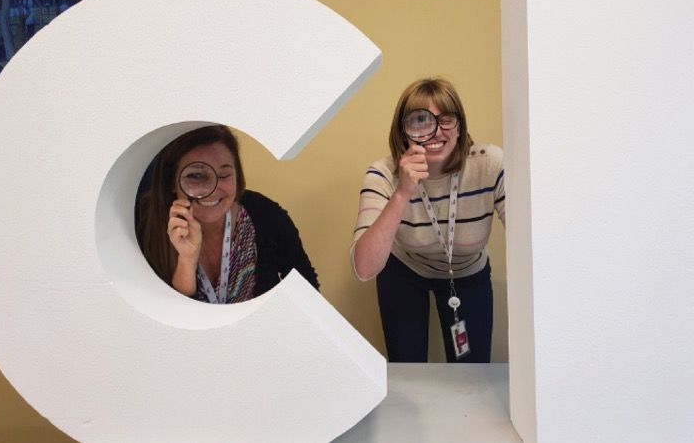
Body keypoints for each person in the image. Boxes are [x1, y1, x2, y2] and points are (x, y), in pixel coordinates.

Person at [351, 78, 505, 363]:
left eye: (446, 118)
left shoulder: (490, 164)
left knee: (470, 372)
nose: (436, 131)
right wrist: (402, 193)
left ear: (460, 126)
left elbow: (532, 241)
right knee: (407, 367)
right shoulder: (383, 173)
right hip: (404, 270)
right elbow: (363, 268)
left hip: (467, 271)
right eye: (421, 120)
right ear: (403, 132)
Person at [137, 125, 319, 303]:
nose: (213, 189)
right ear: (172, 182)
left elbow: (308, 291)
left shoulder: (265, 215)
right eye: (196, 176)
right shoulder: (147, 227)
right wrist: (186, 261)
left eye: (224, 175)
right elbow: (165, 319)